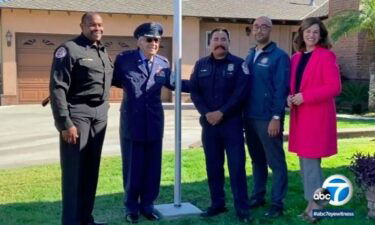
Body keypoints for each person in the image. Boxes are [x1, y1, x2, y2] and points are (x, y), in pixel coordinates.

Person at [112, 22, 189, 224]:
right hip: (132, 121)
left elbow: (174, 84)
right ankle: (131, 207)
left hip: (154, 122)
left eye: (157, 40)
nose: (154, 43)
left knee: (153, 167)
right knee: (133, 167)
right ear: (139, 41)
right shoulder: (124, 60)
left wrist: (202, 84)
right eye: (149, 39)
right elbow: (110, 81)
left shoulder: (163, 63)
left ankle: (148, 205)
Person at [49, 12, 112, 225]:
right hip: (77, 117)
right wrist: (65, 123)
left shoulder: (102, 51)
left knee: (90, 171)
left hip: (99, 117)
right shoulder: (68, 50)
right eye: (92, 25)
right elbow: (58, 87)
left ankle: (86, 219)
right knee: (74, 173)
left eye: (100, 25)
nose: (97, 28)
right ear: (82, 26)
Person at [189, 27, 251, 222]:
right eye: (215, 38)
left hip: (231, 125)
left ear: (228, 42)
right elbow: (195, 92)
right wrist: (207, 113)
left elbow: (241, 93)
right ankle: (217, 204)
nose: (219, 42)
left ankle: (242, 209)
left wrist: (221, 112)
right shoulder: (200, 65)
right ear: (210, 43)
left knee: (236, 167)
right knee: (213, 166)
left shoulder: (239, 64)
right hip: (209, 126)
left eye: (223, 39)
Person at [288, 17, 341, 223]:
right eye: (308, 31)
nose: (311, 35)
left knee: (311, 163)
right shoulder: (296, 58)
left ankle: (317, 205)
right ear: (301, 33)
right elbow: (295, 86)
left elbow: (334, 87)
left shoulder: (326, 56)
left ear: (321, 35)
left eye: (315, 32)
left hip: (317, 118)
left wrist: (306, 97)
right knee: (305, 162)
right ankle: (312, 204)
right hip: (300, 117)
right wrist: (290, 97)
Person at [243, 16, 289, 218]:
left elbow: (281, 88)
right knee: (257, 160)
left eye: (264, 27)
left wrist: (276, 117)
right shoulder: (251, 53)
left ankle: (277, 203)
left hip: (268, 118)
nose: (259, 30)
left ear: (271, 30)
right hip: (249, 117)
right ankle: (258, 196)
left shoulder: (279, 56)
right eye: (256, 26)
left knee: (276, 162)